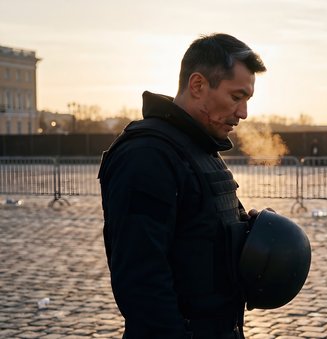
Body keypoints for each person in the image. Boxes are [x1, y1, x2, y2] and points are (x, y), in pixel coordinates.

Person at [98, 33, 266, 338]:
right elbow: (141, 281)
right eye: (236, 97)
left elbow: (199, 240)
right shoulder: (147, 155)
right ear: (198, 85)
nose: (243, 113)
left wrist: (247, 236)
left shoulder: (198, 148)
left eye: (247, 100)